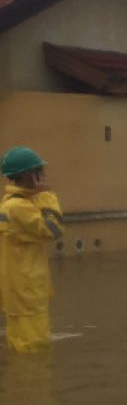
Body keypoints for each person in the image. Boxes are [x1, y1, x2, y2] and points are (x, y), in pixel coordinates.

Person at [0, 147, 63, 352]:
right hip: (28, 294)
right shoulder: (19, 208)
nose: (43, 176)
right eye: (39, 172)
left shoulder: (10, 204)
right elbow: (53, 230)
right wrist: (46, 195)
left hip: (17, 294)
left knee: (20, 348)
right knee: (35, 354)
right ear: (29, 175)